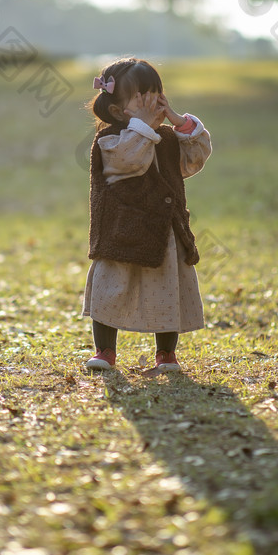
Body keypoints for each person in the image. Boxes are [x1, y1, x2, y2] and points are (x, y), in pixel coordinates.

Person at [82, 57, 212, 375]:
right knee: (110, 289)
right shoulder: (109, 140)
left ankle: (166, 353)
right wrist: (141, 125)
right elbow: (130, 160)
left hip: (163, 231)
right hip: (120, 230)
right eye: (141, 98)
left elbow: (195, 158)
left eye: (156, 94)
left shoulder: (167, 139)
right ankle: (105, 349)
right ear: (116, 110)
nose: (152, 104)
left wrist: (180, 123)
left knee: (167, 290)